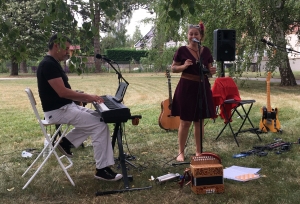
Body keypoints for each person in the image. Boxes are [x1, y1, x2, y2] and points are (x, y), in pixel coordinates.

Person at [36, 33, 122, 181]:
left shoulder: (52, 63)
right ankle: (102, 170)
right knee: (100, 125)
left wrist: (79, 95)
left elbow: (61, 91)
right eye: (66, 49)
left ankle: (66, 143)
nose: (68, 52)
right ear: (56, 46)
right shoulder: (48, 64)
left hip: (63, 107)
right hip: (59, 111)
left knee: (98, 118)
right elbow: (62, 92)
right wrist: (88, 97)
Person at [171, 22, 217, 162]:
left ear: (201, 36)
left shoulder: (206, 51)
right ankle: (180, 152)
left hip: (202, 87)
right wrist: (184, 66)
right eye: (191, 34)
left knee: (199, 121)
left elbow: (209, 73)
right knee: (185, 121)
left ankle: (198, 151)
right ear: (187, 35)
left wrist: (211, 72)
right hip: (186, 87)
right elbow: (173, 68)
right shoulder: (182, 50)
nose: (193, 36)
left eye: (196, 34)